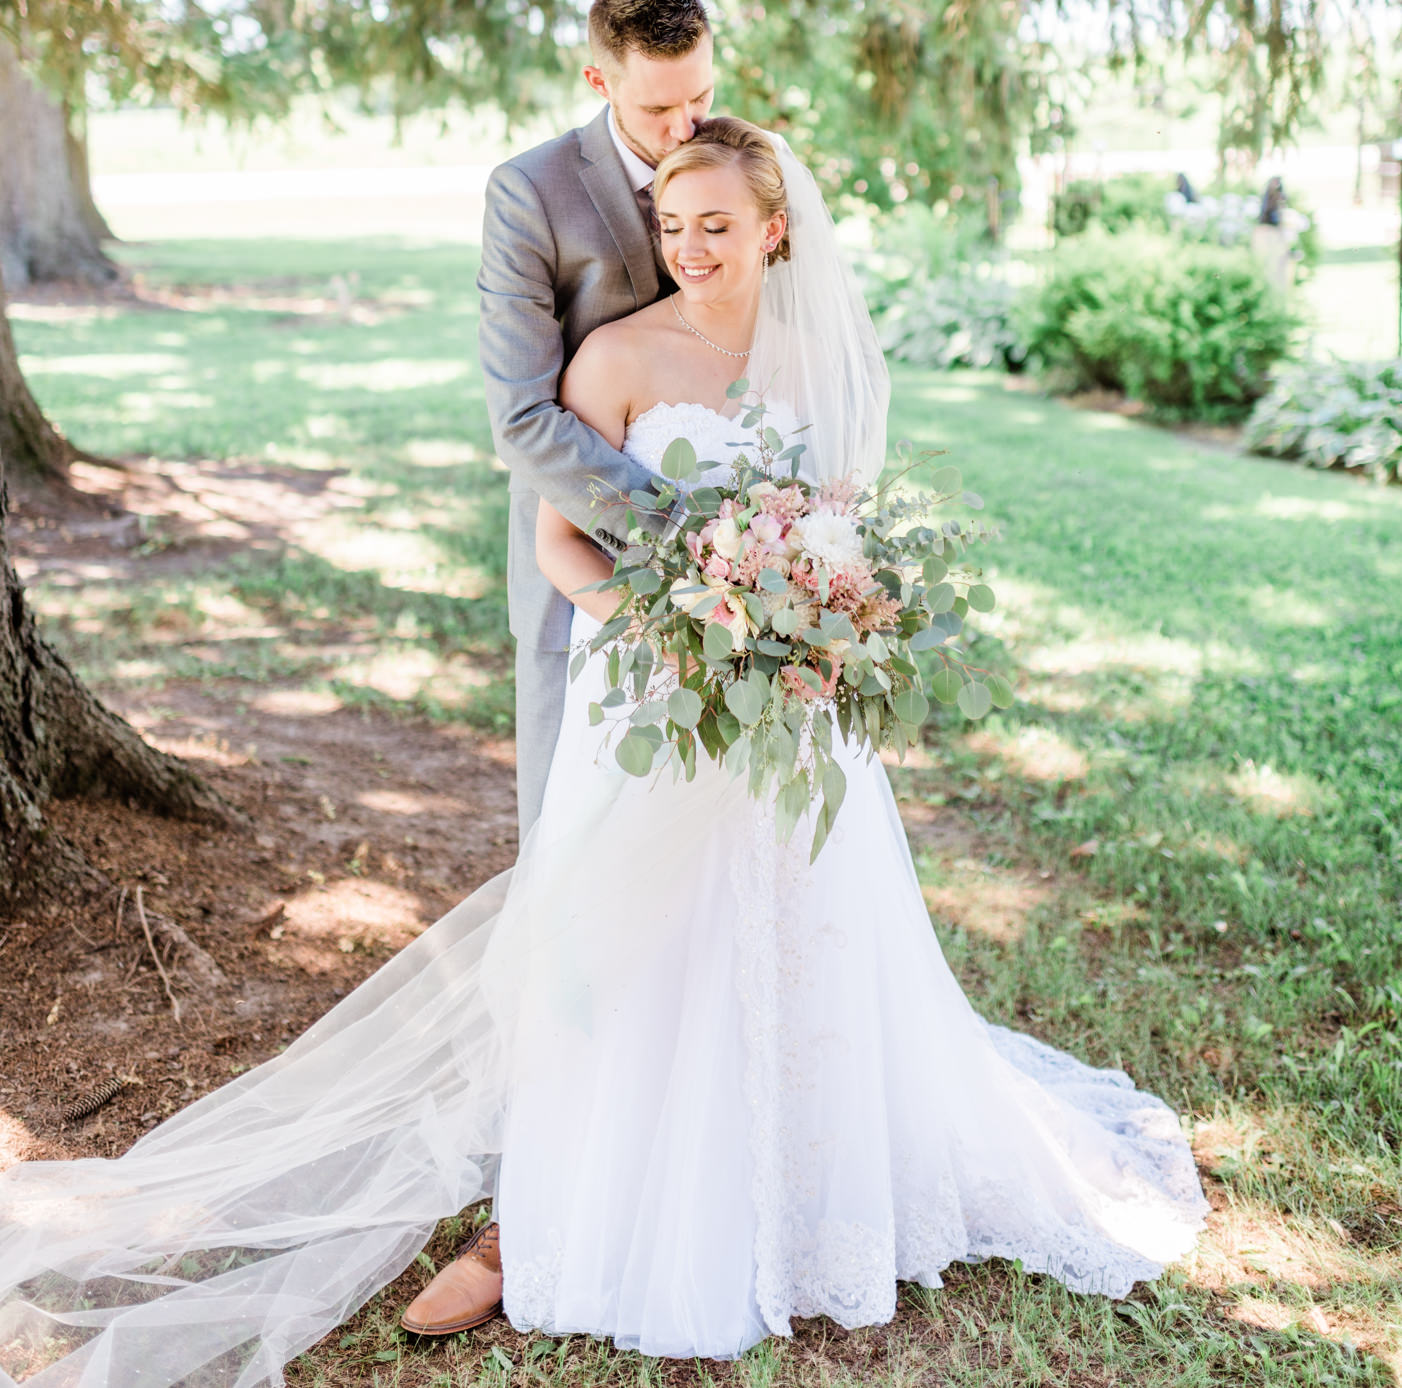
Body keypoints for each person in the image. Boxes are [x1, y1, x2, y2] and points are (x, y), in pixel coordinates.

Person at [0, 123, 1206, 1386]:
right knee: (629, 944)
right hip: (647, 698)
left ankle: (802, 1194)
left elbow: (842, 545)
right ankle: (573, 1205)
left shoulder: (823, 367)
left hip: (784, 706)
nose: (689, 251)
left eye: (717, 229)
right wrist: (673, 625)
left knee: (799, 937)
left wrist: (820, 626)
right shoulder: (615, 358)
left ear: (774, 230)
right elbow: (562, 550)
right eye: (672, 230)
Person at [477, 0, 714, 836]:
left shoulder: (739, 161)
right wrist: (688, 537)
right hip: (579, 555)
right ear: (599, 80)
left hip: (746, 572)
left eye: (701, 95)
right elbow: (520, 420)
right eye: (659, 111)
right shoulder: (531, 193)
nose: (686, 127)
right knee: (568, 839)